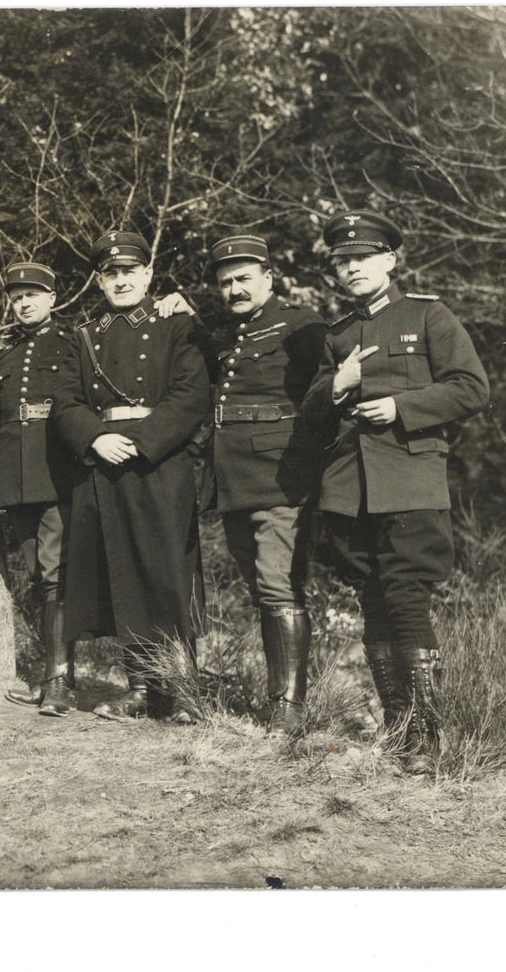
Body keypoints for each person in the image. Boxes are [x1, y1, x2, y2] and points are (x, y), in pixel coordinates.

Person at [304, 209, 490, 774]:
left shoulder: (428, 316)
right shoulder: (336, 335)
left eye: (363, 257)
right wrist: (339, 384)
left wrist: (401, 406)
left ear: (390, 259)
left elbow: (471, 387)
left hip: (410, 480)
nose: (353, 267)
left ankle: (426, 741)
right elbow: (311, 415)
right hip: (351, 489)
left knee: (406, 598)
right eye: (343, 260)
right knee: (372, 602)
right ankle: (398, 730)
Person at [156, 235, 328, 735]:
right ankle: (281, 696)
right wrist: (186, 316)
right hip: (233, 477)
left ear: (268, 278)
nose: (234, 289)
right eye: (225, 281)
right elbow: (213, 366)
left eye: (243, 278)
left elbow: (324, 389)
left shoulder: (302, 325)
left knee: (279, 585)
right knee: (261, 589)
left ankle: (289, 707)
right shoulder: (233, 334)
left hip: (281, 474)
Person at [52, 230, 212, 723]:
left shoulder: (175, 326)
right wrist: (96, 438)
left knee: (166, 572)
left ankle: (183, 690)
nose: (120, 281)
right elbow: (66, 400)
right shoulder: (86, 335)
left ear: (148, 274)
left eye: (129, 272)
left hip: (159, 462)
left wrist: (143, 442)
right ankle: (142, 688)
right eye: (110, 273)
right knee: (120, 574)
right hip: (104, 461)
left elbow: (191, 394)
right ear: (99, 281)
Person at [0, 262, 78, 717]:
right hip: (14, 473)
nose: (24, 303)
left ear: (52, 298)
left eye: (33, 295)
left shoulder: (71, 344)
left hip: (54, 468)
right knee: (39, 576)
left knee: (57, 575)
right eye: (17, 297)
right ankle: (51, 678)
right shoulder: (3, 356)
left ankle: (60, 682)